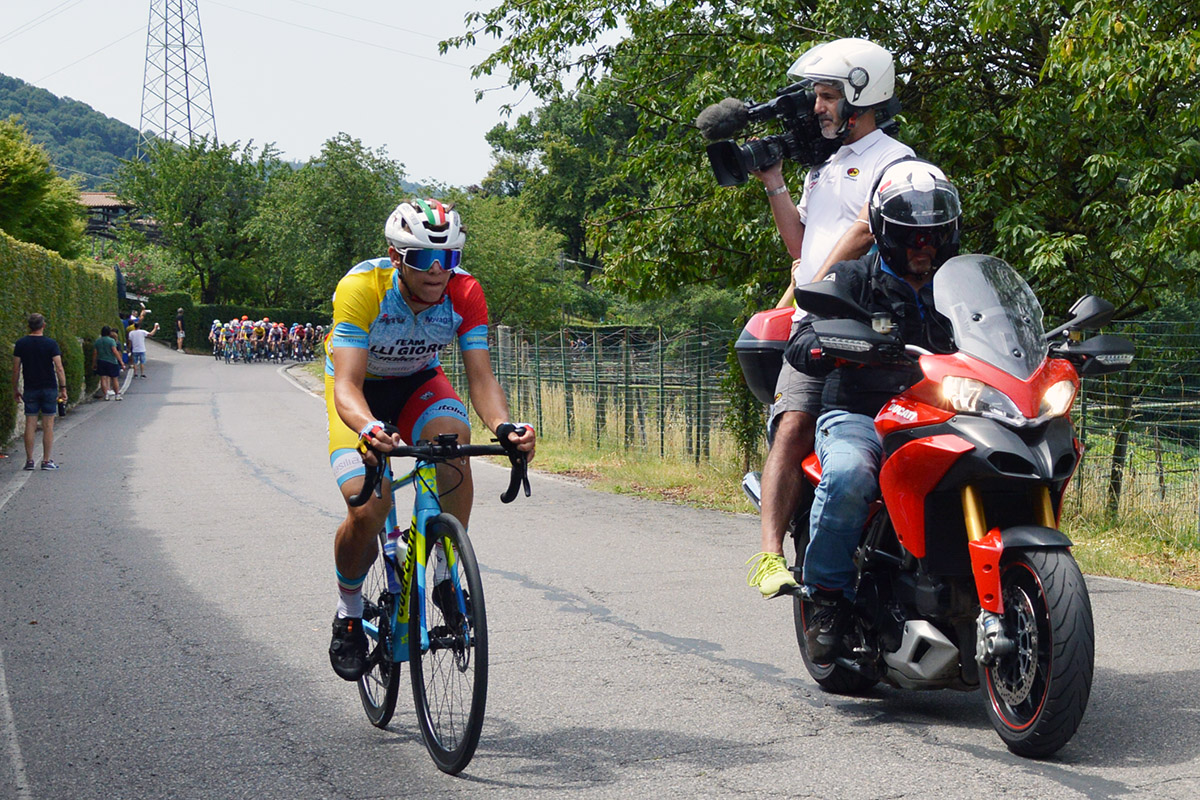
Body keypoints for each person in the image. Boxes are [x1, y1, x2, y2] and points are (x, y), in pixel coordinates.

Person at [324, 198, 536, 681]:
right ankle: (349, 610)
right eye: (424, 259)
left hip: (419, 384)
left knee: (454, 439)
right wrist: (369, 428)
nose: (438, 271)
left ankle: (444, 571)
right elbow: (347, 385)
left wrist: (505, 427)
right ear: (397, 257)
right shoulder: (363, 287)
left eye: (450, 259)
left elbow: (480, 378)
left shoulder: (465, 293)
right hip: (363, 395)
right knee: (368, 510)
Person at [746, 38, 915, 598]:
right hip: (813, 323)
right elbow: (800, 247)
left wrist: (816, 288)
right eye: (817, 96)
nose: (816, 107)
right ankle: (770, 556)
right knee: (791, 425)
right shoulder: (825, 168)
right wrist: (775, 184)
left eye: (826, 96)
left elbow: (869, 227)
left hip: (869, 322)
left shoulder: (894, 162)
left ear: (861, 94)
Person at [782, 159, 961, 661]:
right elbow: (801, 339)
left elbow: (1000, 326)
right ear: (886, 231)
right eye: (910, 235)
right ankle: (828, 598)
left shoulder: (959, 286)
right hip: (862, 414)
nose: (922, 246)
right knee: (850, 475)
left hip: (943, 413)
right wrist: (825, 346)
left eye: (933, 235)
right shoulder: (852, 277)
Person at [11, 313, 68, 470]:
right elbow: (59, 367)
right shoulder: (51, 344)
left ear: (29, 326)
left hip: (30, 387)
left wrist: (15, 388)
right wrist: (63, 388)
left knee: (30, 423)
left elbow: (16, 369)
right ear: (43, 325)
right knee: (48, 424)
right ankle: (46, 460)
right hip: (49, 387)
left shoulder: (21, 344)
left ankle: (29, 461)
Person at [92, 326, 124, 401]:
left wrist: (94, 363)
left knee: (103, 378)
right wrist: (121, 361)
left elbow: (95, 353)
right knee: (114, 378)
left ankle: (106, 395)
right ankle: (117, 395)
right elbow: (115, 351)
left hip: (101, 361)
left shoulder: (98, 341)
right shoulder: (111, 341)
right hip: (112, 361)